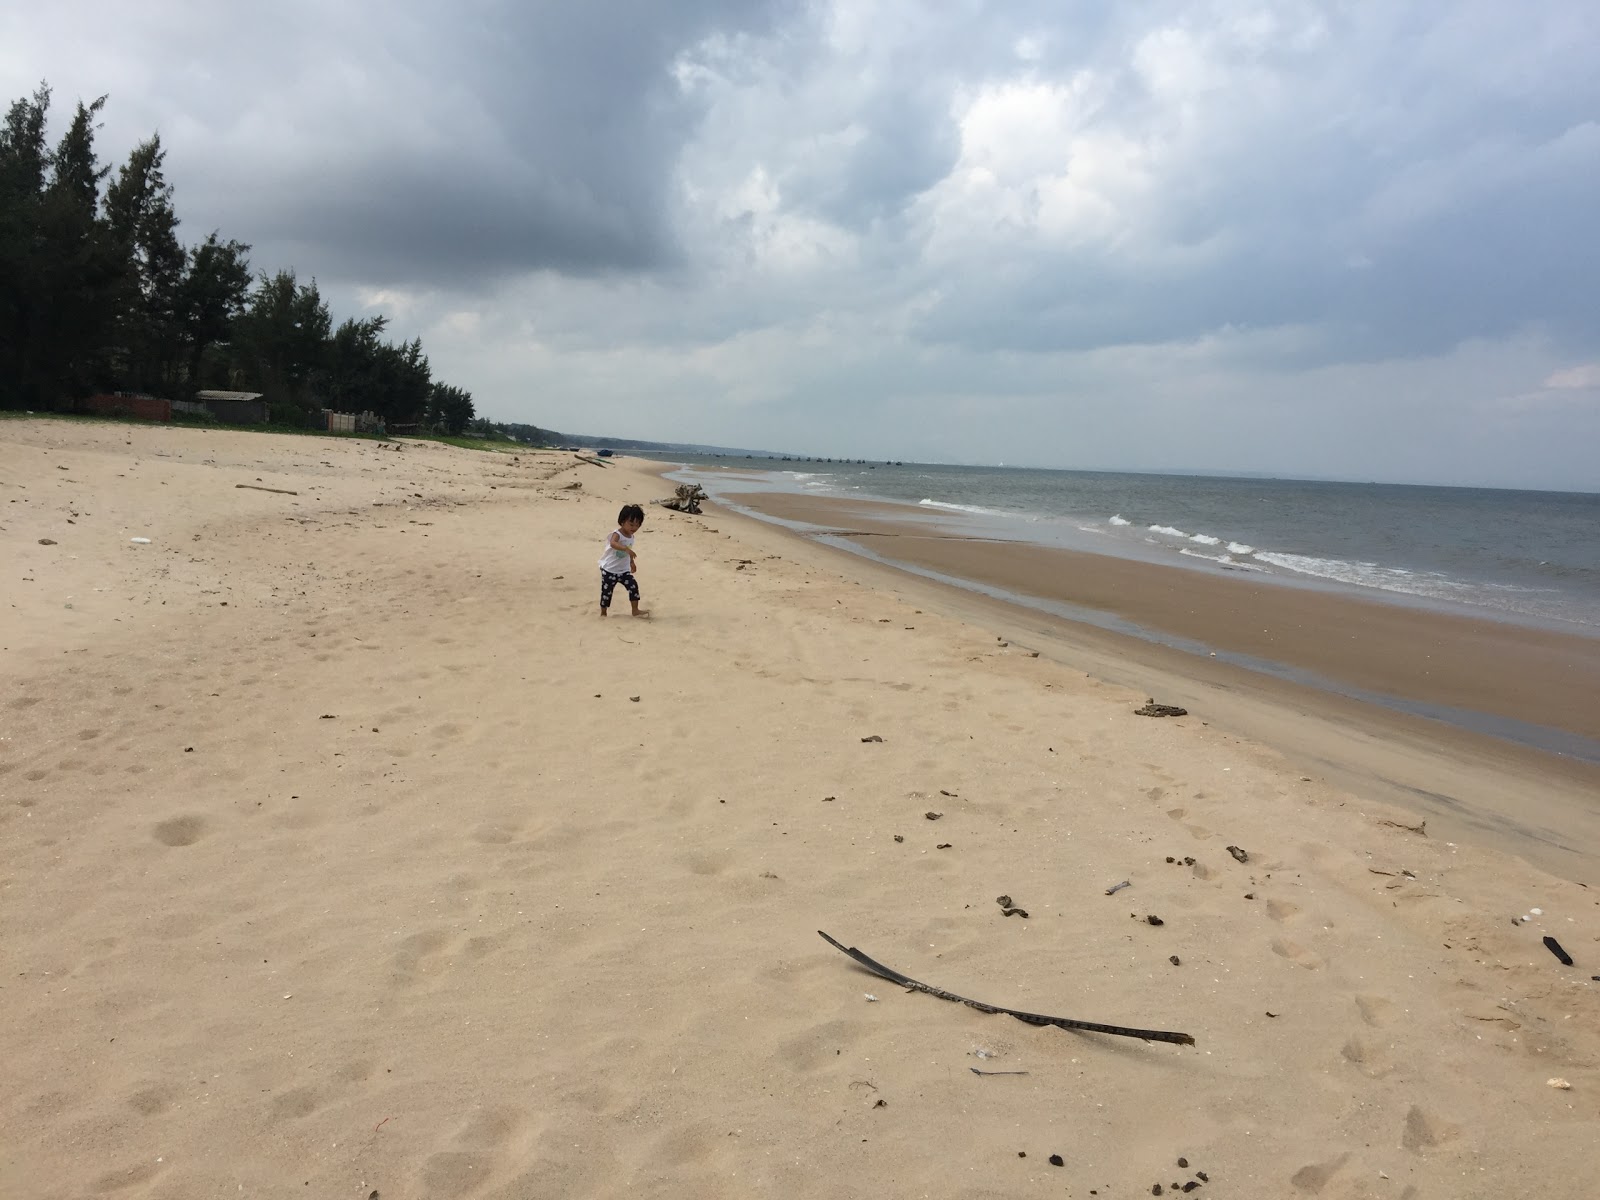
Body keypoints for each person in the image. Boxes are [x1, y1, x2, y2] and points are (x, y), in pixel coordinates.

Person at [598, 503, 649, 617]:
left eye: (637, 525)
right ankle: (603, 613)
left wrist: (632, 562)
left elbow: (629, 551)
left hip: (623, 570)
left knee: (633, 587)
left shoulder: (631, 537)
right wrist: (625, 548)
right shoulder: (617, 534)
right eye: (631, 524)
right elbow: (613, 543)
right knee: (607, 592)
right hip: (609, 570)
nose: (634, 528)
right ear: (622, 522)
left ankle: (635, 610)